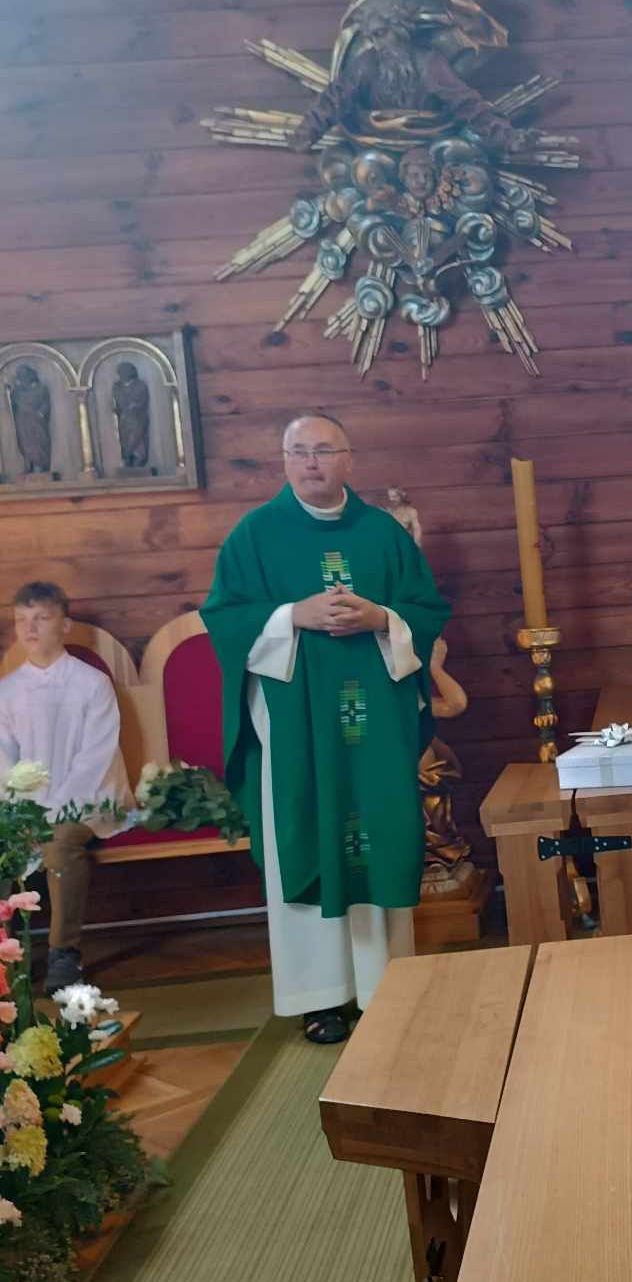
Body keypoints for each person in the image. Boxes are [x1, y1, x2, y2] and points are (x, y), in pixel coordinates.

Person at [202, 412, 449, 1044]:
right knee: (305, 828)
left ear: (348, 459)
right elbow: (225, 617)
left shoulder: (384, 534)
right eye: (298, 451)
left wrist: (380, 617)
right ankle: (321, 996)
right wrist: (293, 615)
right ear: (284, 460)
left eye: (323, 450)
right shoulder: (255, 534)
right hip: (297, 726)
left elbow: (425, 610)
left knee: (377, 830)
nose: (310, 462)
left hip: (373, 725)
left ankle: (384, 985)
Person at [0, 582, 130, 990]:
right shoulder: (8, 690)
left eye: (42, 618)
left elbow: (95, 757)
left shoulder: (91, 683)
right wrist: (22, 811)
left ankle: (63, 952)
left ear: (65, 625)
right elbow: (4, 759)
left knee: (59, 844)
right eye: (22, 620)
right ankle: (6, 955)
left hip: (88, 799)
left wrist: (54, 810)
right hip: (27, 803)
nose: (30, 628)